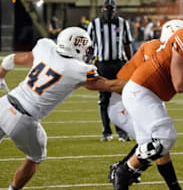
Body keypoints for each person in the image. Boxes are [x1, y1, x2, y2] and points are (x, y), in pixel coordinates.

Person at [111, 2, 183, 190]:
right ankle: (124, 170)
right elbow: (180, 84)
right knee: (165, 137)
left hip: (151, 93)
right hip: (141, 90)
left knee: (156, 147)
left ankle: (124, 176)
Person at [0, 27, 120, 190]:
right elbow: (108, 85)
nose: (86, 51)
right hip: (24, 119)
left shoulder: (45, 47)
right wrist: (139, 83)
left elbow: (13, 59)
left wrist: (1, 73)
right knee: (36, 157)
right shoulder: (78, 69)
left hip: (5, 103)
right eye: (84, 45)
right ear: (75, 46)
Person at [107, 19, 183, 190]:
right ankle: (122, 170)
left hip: (144, 96)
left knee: (158, 143)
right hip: (128, 100)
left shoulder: (166, 51)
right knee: (159, 141)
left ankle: (124, 170)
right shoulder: (155, 51)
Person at [87, 0, 133, 142]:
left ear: (115, 9)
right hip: (102, 64)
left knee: (121, 99)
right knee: (104, 99)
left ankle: (122, 132)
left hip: (119, 64)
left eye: (111, 8)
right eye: (107, 8)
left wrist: (130, 63)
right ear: (102, 9)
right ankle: (106, 131)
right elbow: (89, 46)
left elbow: (127, 44)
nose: (109, 11)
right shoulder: (94, 24)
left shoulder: (122, 23)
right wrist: (88, 63)